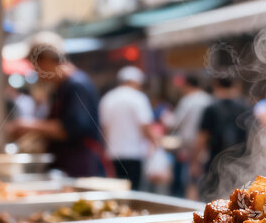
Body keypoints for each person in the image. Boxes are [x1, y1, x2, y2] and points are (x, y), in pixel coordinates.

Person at [9, 32, 108, 177]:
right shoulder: (60, 87)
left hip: (81, 169)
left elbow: (71, 129)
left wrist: (28, 125)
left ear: (47, 60)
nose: (34, 71)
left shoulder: (76, 85)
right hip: (67, 166)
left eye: (34, 65)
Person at [98, 66, 156, 190]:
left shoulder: (107, 98)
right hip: (134, 153)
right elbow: (145, 126)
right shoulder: (138, 98)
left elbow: (104, 128)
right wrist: (156, 142)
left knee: (116, 190)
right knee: (133, 190)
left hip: (112, 153)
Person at [192, 77, 251, 192]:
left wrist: (194, 162)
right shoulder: (246, 107)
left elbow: (202, 137)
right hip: (241, 162)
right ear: (234, 85)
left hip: (215, 161)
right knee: (238, 198)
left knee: (214, 199)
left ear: (216, 85)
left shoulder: (211, 108)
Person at [170, 74, 212, 197]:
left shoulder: (187, 100)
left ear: (187, 85)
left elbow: (176, 122)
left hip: (188, 145)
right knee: (201, 176)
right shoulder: (208, 99)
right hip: (205, 143)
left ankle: (186, 202)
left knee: (188, 178)